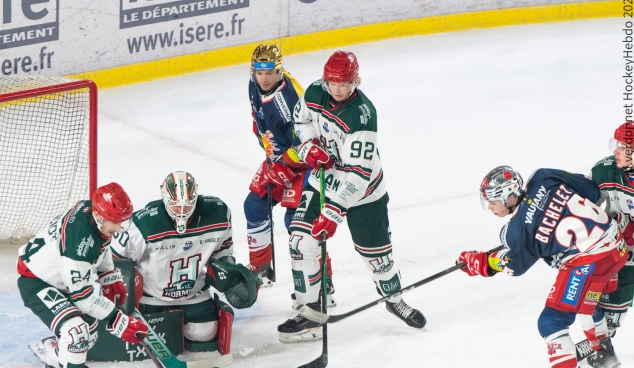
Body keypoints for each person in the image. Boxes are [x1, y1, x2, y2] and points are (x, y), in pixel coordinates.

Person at [279, 50, 426, 344]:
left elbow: (359, 174)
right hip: (323, 179)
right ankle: (310, 312)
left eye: (344, 84)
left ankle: (394, 299)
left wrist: (333, 212)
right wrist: (309, 146)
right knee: (300, 242)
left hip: (364, 191)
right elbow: (302, 122)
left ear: (355, 81)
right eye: (333, 83)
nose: (337, 89)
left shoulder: (363, 114)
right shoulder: (314, 92)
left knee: (379, 259)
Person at [458, 166, 627, 368]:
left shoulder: (517, 231)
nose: (490, 207)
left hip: (590, 259)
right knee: (586, 300)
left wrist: (482, 263)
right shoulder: (544, 176)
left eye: (492, 201)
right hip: (616, 245)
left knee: (551, 321)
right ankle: (604, 354)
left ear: (510, 196)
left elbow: (514, 267)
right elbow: (592, 192)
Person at [18, 182, 148, 368]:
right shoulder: (78, 241)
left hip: (63, 280)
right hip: (37, 281)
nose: (119, 227)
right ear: (99, 216)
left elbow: (101, 245)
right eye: (115, 221)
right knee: (77, 334)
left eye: (121, 220)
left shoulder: (95, 216)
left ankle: (54, 353)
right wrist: (118, 320)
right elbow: (84, 296)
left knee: (89, 336)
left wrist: (108, 275)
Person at [110, 171, 259, 352]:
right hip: (152, 296)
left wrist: (228, 273)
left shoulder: (218, 214)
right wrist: (123, 295)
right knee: (148, 340)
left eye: (187, 207)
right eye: (176, 207)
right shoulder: (145, 223)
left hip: (194, 293)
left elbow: (222, 252)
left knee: (206, 334)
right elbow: (116, 258)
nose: (181, 213)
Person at [245, 44, 335, 306]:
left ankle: (323, 285)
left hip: (305, 164)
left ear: (279, 71)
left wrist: (282, 168)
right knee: (254, 205)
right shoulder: (254, 86)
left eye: (269, 73)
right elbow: (259, 117)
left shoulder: (290, 101)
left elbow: (306, 144)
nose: (264, 78)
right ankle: (261, 269)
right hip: (279, 159)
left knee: (298, 225)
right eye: (259, 72)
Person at [589, 120, 634, 368]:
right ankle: (602, 356)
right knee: (608, 321)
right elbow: (582, 203)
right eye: (615, 145)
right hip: (620, 254)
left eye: (623, 147)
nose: (615, 151)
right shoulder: (604, 171)